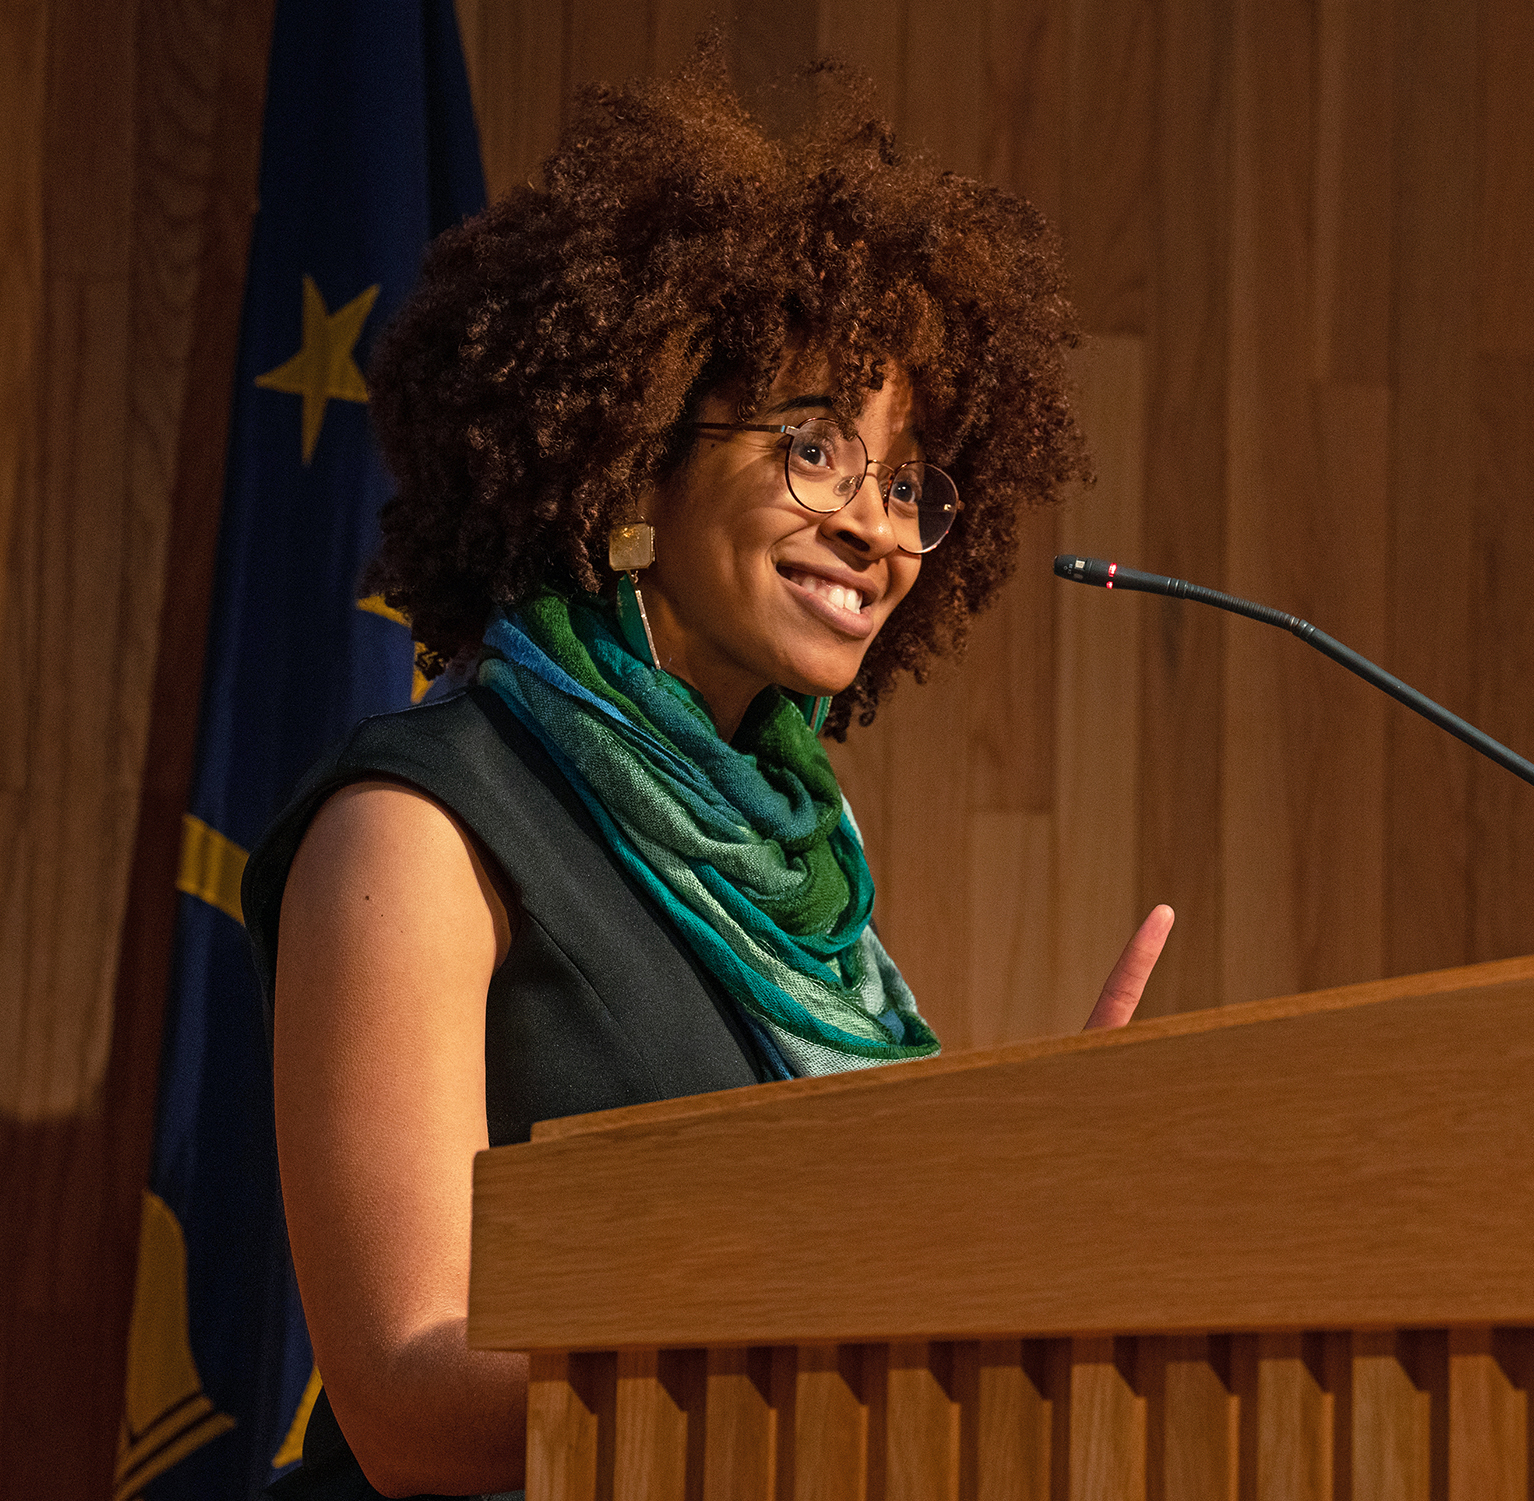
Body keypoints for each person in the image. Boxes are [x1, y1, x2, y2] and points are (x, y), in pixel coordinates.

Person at [241, 55, 1175, 1501]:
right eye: (814, 449)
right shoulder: (417, 827)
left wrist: (1029, 1188)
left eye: (911, 483)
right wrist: (845, 1336)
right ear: (634, 455)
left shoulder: (800, 874)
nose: (875, 527)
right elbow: (407, 1397)